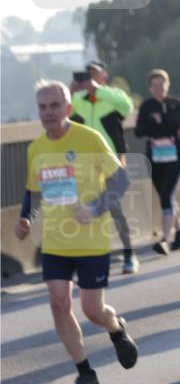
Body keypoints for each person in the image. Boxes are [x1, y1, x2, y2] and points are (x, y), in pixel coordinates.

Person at [16, 80, 139, 384]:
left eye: (55, 106)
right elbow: (33, 191)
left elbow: (121, 179)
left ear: (68, 108)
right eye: (43, 107)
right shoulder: (37, 148)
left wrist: (96, 208)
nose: (48, 113)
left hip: (91, 240)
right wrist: (26, 218)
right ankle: (86, 373)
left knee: (92, 310)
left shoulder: (90, 139)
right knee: (58, 304)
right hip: (56, 242)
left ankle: (116, 328)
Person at [70, 60, 138, 274]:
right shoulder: (79, 100)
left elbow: (127, 106)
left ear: (103, 75)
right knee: (84, 208)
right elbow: (65, 115)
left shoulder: (112, 96)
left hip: (111, 162)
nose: (89, 77)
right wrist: (70, 92)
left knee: (114, 208)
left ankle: (129, 254)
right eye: (86, 74)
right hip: (86, 164)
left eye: (94, 73)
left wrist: (98, 91)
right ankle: (86, 257)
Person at [134, 68, 180, 255]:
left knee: (167, 196)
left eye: (162, 84)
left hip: (177, 156)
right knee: (167, 197)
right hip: (156, 158)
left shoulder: (177, 104)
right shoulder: (146, 107)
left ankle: (165, 238)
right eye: (155, 85)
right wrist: (154, 123)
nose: (159, 88)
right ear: (150, 88)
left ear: (168, 85)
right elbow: (138, 131)